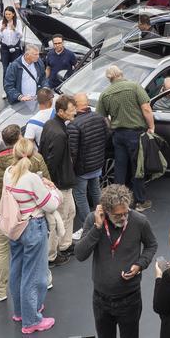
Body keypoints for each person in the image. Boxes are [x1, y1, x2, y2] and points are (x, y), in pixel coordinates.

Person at [0, 125, 52, 303]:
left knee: (0, 252)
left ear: (3, 140)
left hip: (2, 218)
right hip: (30, 217)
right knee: (37, 250)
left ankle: (0, 290)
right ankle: (44, 279)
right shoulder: (36, 158)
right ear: (20, 138)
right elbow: (48, 183)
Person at [74, 184, 159, 338]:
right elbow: (80, 254)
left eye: (125, 213)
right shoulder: (93, 220)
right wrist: (97, 228)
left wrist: (140, 265)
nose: (123, 218)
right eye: (118, 215)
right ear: (105, 211)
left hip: (130, 299)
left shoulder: (140, 221)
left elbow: (151, 245)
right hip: (101, 299)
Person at [4, 137, 60, 334]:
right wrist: (51, 188)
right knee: (34, 274)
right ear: (33, 154)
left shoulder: (8, 172)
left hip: (16, 227)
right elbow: (51, 205)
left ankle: (21, 311)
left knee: (17, 269)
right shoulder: (32, 178)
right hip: (33, 227)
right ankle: (31, 320)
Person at [97, 65, 155, 212]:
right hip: (136, 134)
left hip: (118, 135)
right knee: (138, 167)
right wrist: (151, 127)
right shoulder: (134, 87)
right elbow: (146, 108)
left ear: (109, 78)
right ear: (121, 73)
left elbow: (102, 117)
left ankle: (117, 201)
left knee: (120, 169)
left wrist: (112, 127)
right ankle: (140, 201)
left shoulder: (105, 93)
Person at [39, 95, 77, 267]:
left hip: (62, 181)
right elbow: (53, 162)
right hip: (60, 183)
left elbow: (42, 152)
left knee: (70, 212)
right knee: (59, 219)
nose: (75, 112)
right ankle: (52, 255)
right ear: (61, 112)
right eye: (71, 110)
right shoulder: (60, 134)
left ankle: (65, 244)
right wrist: (50, 183)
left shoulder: (50, 124)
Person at [69, 90, 111, 234]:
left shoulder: (74, 125)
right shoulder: (99, 117)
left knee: (80, 195)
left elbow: (72, 151)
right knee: (95, 190)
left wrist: (70, 169)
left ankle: (89, 225)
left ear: (75, 106)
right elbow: (107, 135)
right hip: (97, 163)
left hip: (82, 168)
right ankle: (103, 216)